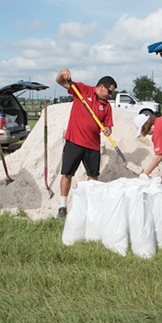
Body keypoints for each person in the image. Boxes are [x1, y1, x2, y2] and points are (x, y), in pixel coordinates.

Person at [55, 69, 117, 219]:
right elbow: (60, 81)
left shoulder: (107, 106)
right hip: (74, 141)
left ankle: (90, 208)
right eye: (109, 92)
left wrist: (107, 130)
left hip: (93, 145)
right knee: (67, 174)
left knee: (93, 177)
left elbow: (107, 126)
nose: (110, 96)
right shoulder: (82, 90)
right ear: (102, 86)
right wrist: (63, 73)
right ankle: (62, 207)